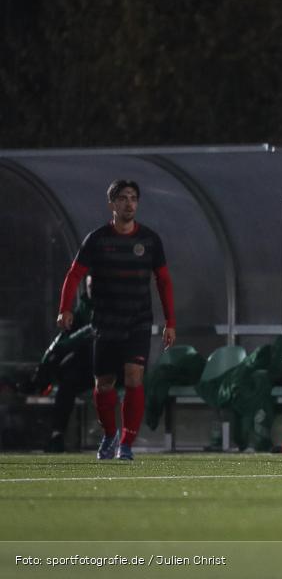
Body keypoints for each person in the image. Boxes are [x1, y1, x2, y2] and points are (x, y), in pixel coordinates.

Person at [56, 180, 176, 461]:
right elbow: (74, 274)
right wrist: (65, 308)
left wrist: (170, 321)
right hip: (106, 321)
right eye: (122, 198)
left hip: (138, 320)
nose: (129, 203)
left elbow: (164, 281)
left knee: (134, 378)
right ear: (112, 204)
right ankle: (109, 435)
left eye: (133, 198)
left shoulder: (150, 240)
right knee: (105, 383)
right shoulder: (97, 239)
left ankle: (126, 443)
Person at [36, 281, 95, 452]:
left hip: (110, 365)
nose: (94, 289)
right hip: (87, 369)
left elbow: (81, 336)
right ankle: (57, 435)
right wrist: (47, 361)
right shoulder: (82, 310)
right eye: (91, 286)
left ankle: (118, 438)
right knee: (67, 379)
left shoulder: (110, 307)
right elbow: (63, 339)